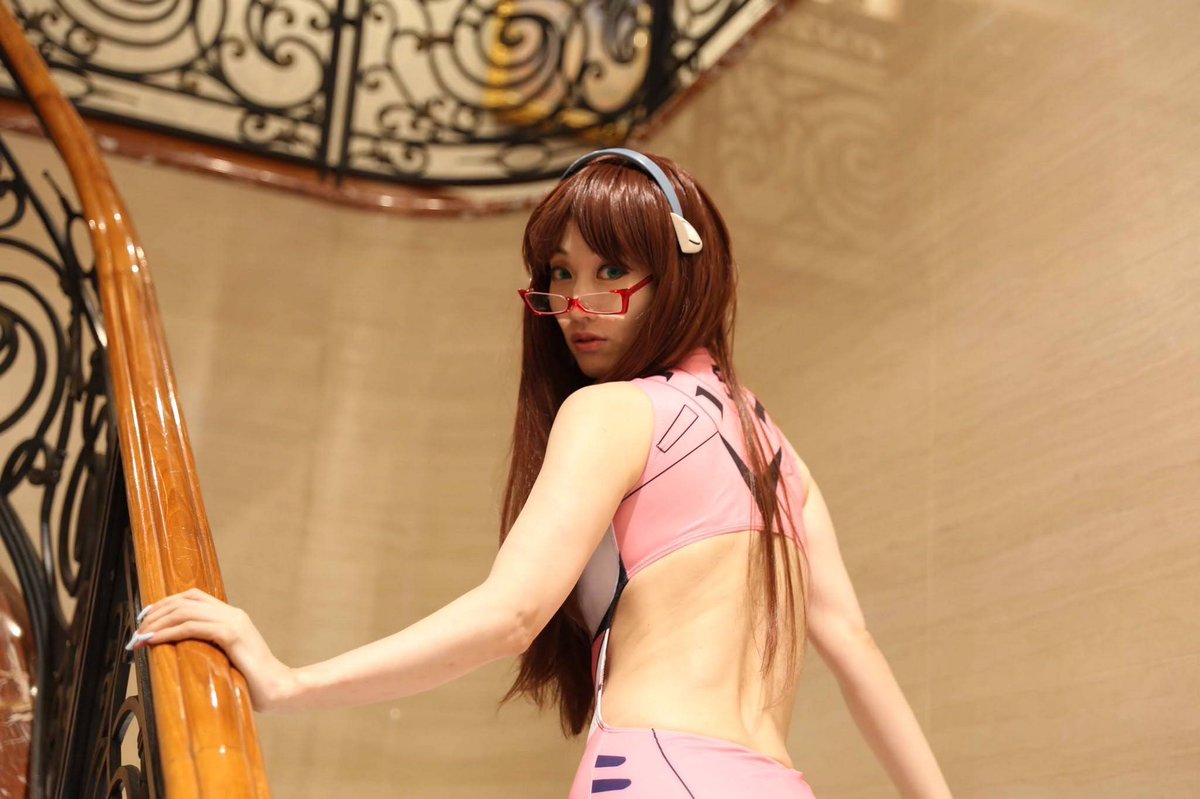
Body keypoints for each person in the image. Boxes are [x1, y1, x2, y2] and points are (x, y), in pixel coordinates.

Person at [128, 149, 953, 798]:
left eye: (611, 270)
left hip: (653, 773)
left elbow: (512, 612)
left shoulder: (612, 412)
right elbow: (854, 644)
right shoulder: (779, 452)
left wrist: (291, 680)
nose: (576, 304)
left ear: (681, 274)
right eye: (560, 273)